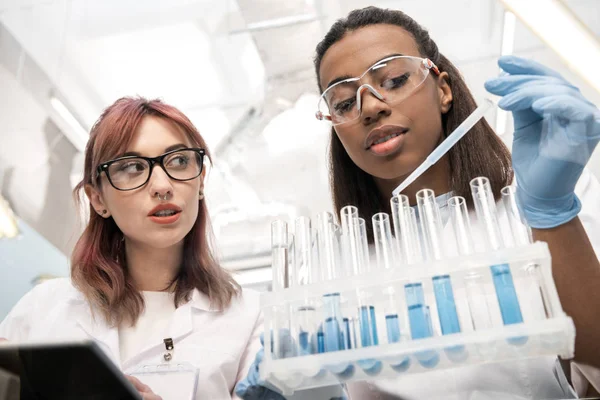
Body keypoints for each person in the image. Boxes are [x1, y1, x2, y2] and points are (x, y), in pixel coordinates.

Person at [237, 6, 600, 399]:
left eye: (394, 80)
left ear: (442, 89)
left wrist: (552, 215)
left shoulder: (544, 207)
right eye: (344, 103)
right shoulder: (329, 266)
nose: (371, 106)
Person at [0, 97, 263, 400]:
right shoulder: (41, 311)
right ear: (97, 199)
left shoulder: (248, 316)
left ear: (201, 180)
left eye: (178, 161)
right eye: (133, 167)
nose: (162, 185)